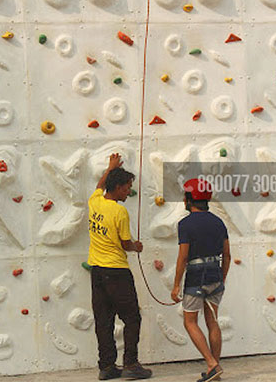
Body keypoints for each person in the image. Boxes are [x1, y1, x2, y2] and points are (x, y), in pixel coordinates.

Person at [87, 153, 153, 380]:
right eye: (126, 188)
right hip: (116, 272)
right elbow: (125, 244)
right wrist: (137, 247)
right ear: (116, 188)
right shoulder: (119, 211)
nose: (128, 192)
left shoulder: (94, 201)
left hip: (97, 271)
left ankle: (106, 367)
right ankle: (131, 364)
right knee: (132, 317)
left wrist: (109, 168)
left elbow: (99, 186)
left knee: (103, 320)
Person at [171, 178, 231, 382]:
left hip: (196, 277)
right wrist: (222, 278)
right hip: (215, 275)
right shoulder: (218, 222)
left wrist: (176, 284)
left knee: (190, 322)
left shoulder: (185, 224)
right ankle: (216, 367)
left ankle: (211, 364)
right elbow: (227, 255)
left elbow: (184, 256)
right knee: (213, 322)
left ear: (189, 199)